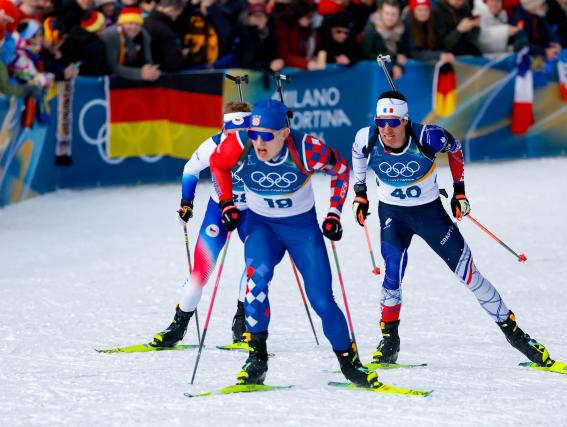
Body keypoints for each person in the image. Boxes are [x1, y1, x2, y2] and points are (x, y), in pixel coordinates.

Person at [351, 91, 554, 368]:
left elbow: (455, 148)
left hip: (429, 214)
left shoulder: (428, 137)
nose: (386, 129)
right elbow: (358, 155)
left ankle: (516, 334)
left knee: (469, 274)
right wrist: (360, 193)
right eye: (381, 122)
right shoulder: (367, 137)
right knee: (392, 274)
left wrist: (460, 192)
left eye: (393, 122)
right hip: (393, 215)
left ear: (405, 121)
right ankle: (389, 340)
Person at [209, 99, 380, 388]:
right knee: (255, 282)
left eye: (266, 136)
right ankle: (256, 359)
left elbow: (339, 170)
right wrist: (226, 203)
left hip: (302, 230)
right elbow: (217, 164)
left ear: (284, 134)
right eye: (254, 134)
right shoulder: (239, 142)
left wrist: (334, 214)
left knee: (322, 299)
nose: (259, 143)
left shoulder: (306, 148)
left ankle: (350, 365)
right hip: (262, 227)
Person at [152, 102, 254, 348]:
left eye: (242, 133)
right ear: (223, 128)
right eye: (230, 133)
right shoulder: (212, 146)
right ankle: (177, 327)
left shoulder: (261, 146)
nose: (235, 139)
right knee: (199, 275)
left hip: (253, 213)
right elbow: (190, 170)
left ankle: (242, 324)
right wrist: (187, 203)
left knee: (256, 266)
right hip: (218, 213)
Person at [101, 7, 161, 81]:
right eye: (130, 23)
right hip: (109, 77)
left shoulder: (144, 35)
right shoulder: (111, 35)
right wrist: (140, 73)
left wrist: (151, 71)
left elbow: (148, 59)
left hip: (132, 72)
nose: (133, 27)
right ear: (122, 24)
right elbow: (112, 66)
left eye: (137, 24)